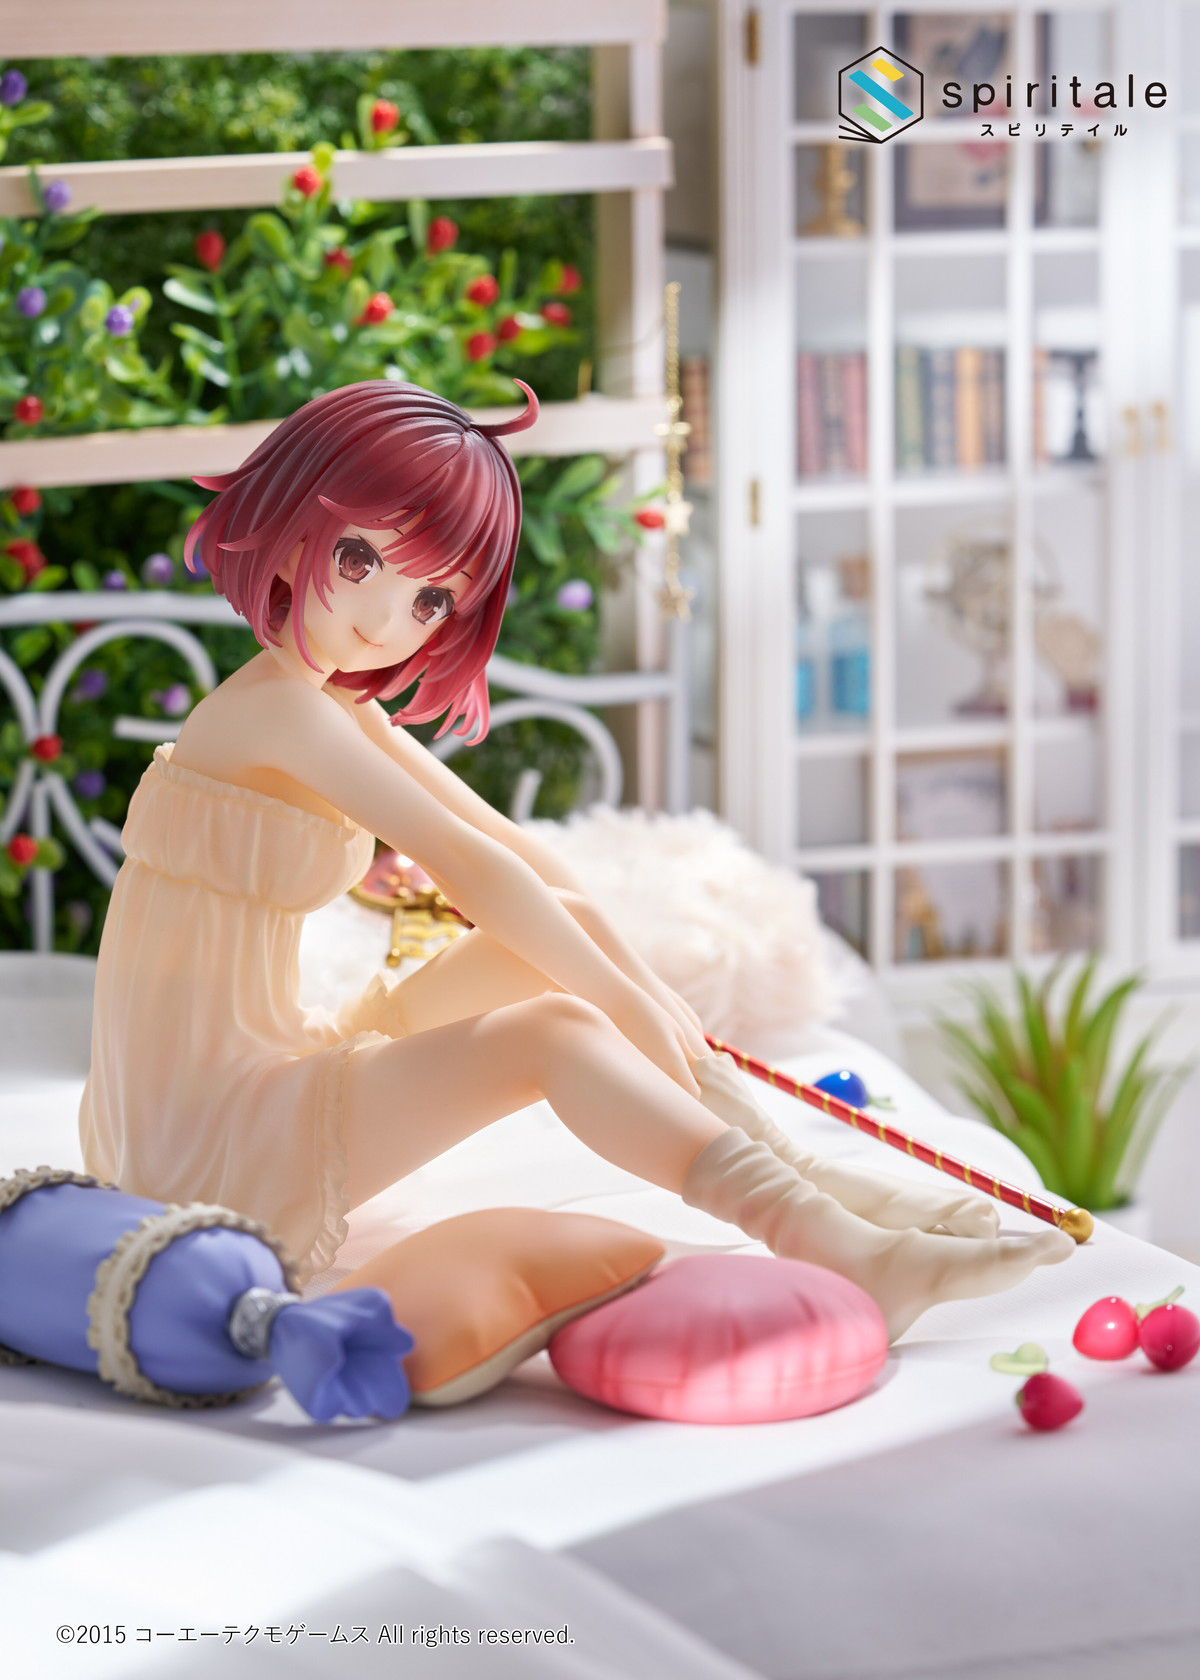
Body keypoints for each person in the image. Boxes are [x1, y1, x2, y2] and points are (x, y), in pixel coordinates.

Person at [78, 379, 1073, 1343]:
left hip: (271, 1058)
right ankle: (824, 1236)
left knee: (569, 936)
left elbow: (518, 851)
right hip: (207, 1133)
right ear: (295, 522)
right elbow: (464, 864)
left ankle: (817, 1179)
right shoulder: (275, 712)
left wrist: (652, 1000)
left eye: (430, 600)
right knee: (553, 1031)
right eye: (359, 558)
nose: (384, 621)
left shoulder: (329, 703)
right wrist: (623, 1002)